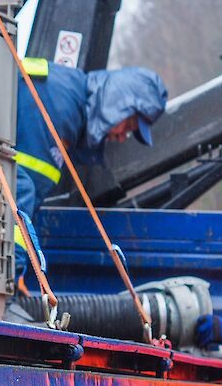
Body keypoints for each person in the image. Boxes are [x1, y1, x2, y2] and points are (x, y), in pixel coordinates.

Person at [12, 59, 168, 281]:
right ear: (119, 103)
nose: (123, 137)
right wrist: (12, 278)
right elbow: (17, 195)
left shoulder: (69, 103)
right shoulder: (60, 104)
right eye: (130, 125)